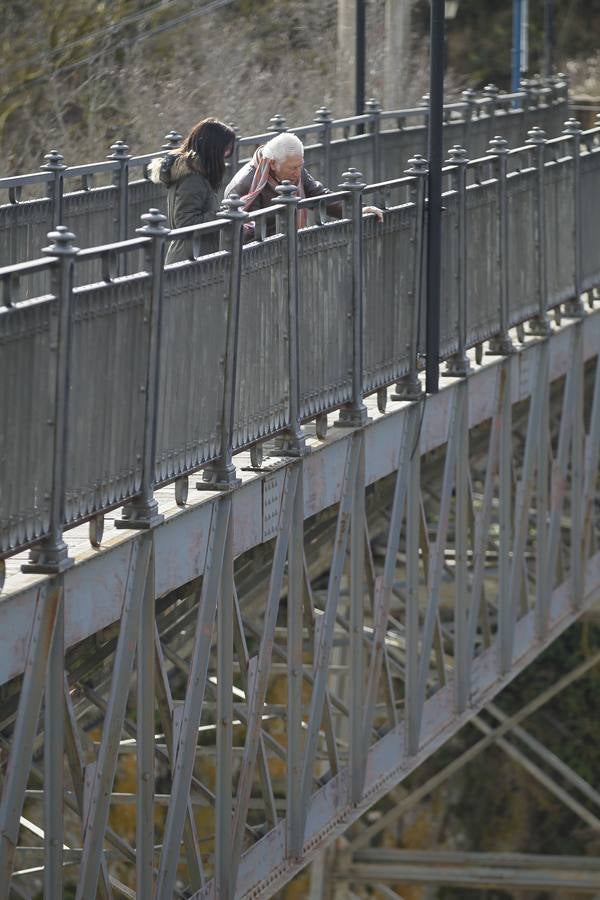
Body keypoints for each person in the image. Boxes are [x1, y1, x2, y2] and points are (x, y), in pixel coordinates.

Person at [224, 132, 382, 235]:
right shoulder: (246, 184)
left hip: (289, 249)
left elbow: (320, 196)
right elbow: (246, 232)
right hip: (259, 263)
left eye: (301, 165)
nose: (298, 172)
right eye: (293, 168)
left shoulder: (296, 172)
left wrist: (358, 209)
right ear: (272, 164)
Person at [149, 117, 236, 263]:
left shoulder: (196, 174)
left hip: (193, 257)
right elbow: (185, 222)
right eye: (224, 150)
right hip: (190, 260)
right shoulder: (193, 179)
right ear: (213, 149)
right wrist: (223, 216)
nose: (226, 156)